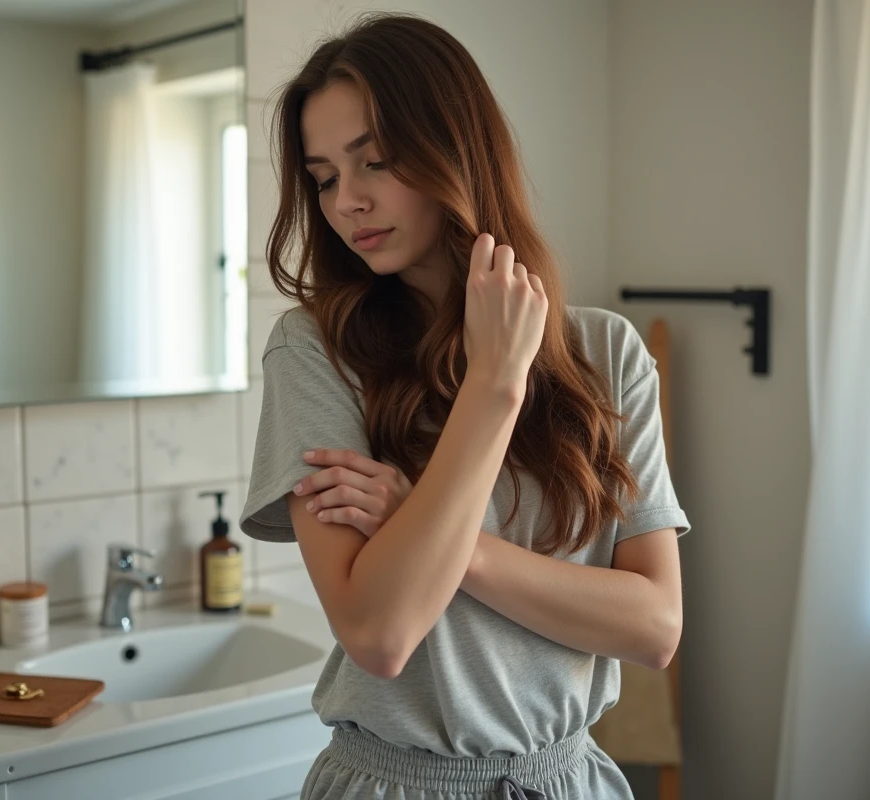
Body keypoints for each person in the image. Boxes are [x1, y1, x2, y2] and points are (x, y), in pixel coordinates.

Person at [238, 12, 690, 800]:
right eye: (324, 177)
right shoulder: (314, 352)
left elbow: (653, 628)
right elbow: (380, 632)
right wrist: (494, 387)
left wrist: (439, 533)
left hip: (568, 780)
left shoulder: (608, 355)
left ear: (456, 148)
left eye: (374, 162)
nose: (348, 202)